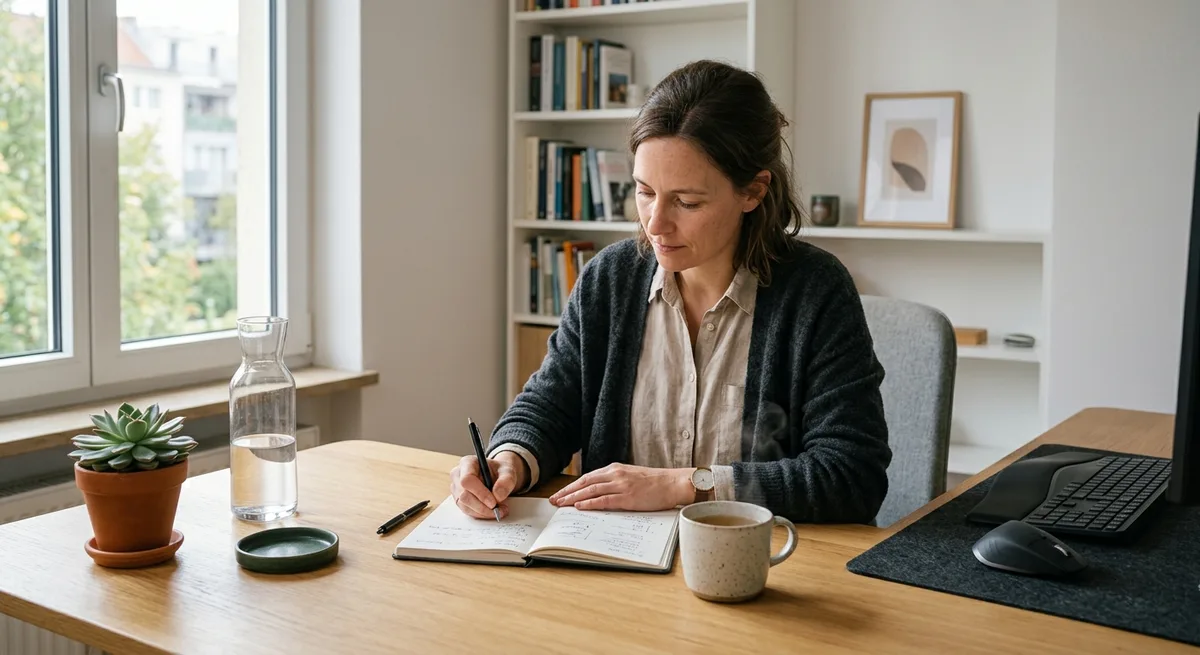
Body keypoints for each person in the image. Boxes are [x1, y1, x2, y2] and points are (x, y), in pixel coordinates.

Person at [451, 60, 891, 524]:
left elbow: (852, 474)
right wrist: (508, 459)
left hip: (764, 566)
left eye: (687, 202)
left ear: (753, 191)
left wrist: (685, 485)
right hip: (615, 560)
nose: (655, 224)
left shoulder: (815, 293)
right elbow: (551, 404)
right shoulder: (610, 280)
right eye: (644, 192)